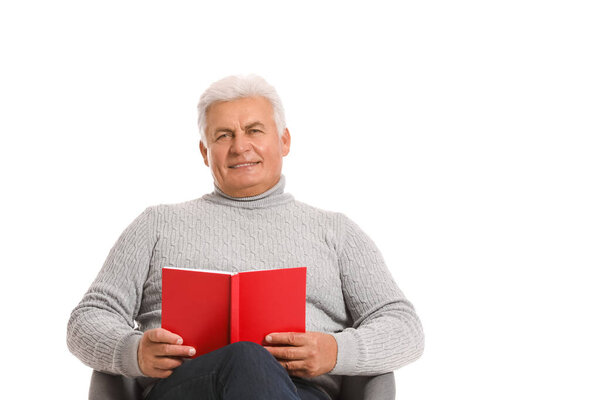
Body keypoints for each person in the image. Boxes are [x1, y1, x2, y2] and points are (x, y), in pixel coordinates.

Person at [67, 74, 424, 400]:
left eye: (254, 130)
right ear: (206, 153)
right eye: (224, 136)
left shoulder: (336, 232)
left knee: (251, 362)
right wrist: (133, 351)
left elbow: (405, 328)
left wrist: (335, 351)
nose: (240, 147)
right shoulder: (156, 224)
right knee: (245, 356)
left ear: (283, 141)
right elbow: (87, 320)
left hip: (301, 392)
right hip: (185, 388)